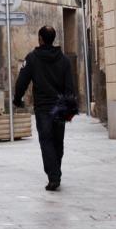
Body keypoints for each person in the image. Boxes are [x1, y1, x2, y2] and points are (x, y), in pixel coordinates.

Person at [13, 25, 75, 191]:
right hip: (60, 107)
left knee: (46, 141)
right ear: (53, 39)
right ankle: (56, 173)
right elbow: (70, 87)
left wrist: (17, 99)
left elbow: (22, 81)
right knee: (58, 142)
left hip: (43, 108)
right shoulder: (64, 60)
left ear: (40, 39)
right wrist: (69, 109)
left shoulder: (32, 58)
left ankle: (54, 176)